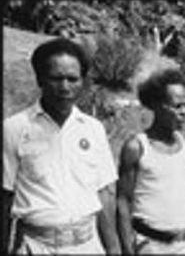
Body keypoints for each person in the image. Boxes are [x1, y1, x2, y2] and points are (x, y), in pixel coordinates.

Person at [2, 38, 120, 254]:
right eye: (56, 78)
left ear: (82, 81)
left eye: (72, 79)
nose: (65, 87)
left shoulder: (93, 129)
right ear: (40, 79)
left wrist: (113, 247)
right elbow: (5, 196)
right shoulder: (14, 128)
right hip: (37, 246)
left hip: (87, 244)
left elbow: (104, 192)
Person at [117, 69, 185, 254]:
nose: (183, 112)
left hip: (183, 245)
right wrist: (128, 249)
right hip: (150, 245)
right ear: (156, 105)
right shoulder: (136, 147)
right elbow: (123, 201)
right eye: (176, 106)